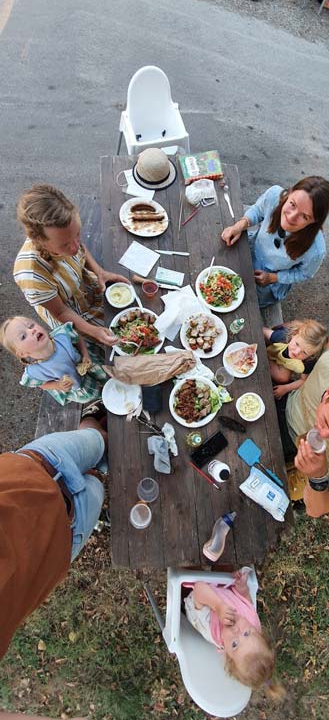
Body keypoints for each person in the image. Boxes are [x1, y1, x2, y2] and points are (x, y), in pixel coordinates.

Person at [0, 411, 107, 661]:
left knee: (97, 439)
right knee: (97, 483)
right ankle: (96, 468)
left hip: (40, 462)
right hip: (68, 531)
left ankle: (95, 423)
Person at [13, 183, 129, 357]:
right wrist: (93, 331)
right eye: (65, 244)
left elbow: (79, 247)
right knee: (114, 344)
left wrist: (99, 272)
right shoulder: (32, 275)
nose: (75, 247)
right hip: (70, 311)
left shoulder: (67, 236)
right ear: (38, 239)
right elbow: (60, 311)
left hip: (83, 287)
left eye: (77, 234)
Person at [221, 177, 329, 308]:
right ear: (290, 193)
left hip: (268, 280)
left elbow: (304, 273)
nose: (291, 217)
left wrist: (273, 278)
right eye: (292, 204)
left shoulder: (316, 250)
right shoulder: (274, 195)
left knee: (244, 306)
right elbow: (258, 210)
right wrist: (239, 226)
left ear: (315, 221)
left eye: (304, 216)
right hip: (250, 248)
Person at [276, 346, 329, 518]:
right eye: (325, 421)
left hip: (293, 451)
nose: (322, 435)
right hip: (284, 405)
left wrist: (318, 477)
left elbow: (317, 510)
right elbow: (322, 341)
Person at [184, 570, 283, 696]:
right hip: (223, 590)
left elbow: (199, 588)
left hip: (198, 600)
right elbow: (245, 601)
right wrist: (242, 588)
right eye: (247, 634)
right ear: (258, 632)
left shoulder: (214, 629)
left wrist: (218, 606)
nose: (237, 631)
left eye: (235, 644)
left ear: (227, 654)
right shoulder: (252, 622)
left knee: (196, 566)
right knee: (226, 563)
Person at [0, 316, 107, 406]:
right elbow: (42, 384)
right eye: (23, 336)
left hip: (88, 364)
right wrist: (57, 386)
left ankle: (109, 382)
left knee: (105, 374)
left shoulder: (62, 335)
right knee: (96, 393)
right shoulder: (34, 371)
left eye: (31, 325)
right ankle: (103, 398)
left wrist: (85, 354)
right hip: (77, 382)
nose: (32, 330)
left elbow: (78, 338)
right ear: (22, 353)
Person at [263, 319, 329, 399]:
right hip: (274, 348)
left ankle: (263, 360)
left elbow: (303, 380)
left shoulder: (308, 363)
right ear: (293, 335)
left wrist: (285, 388)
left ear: (312, 355)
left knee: (283, 378)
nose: (297, 352)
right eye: (297, 344)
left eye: (304, 352)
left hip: (284, 363)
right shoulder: (282, 337)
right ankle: (263, 353)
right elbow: (263, 331)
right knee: (266, 338)